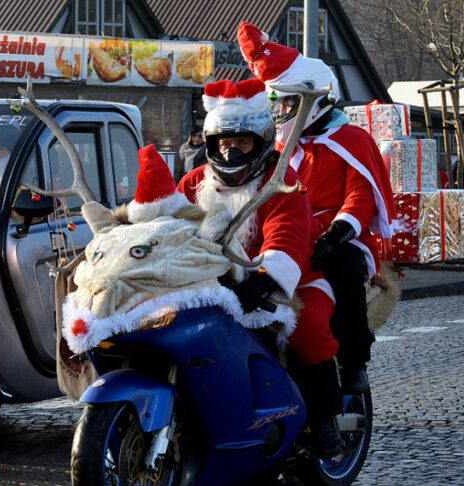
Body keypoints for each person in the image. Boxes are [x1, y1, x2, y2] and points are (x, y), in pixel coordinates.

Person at [167, 78, 342, 457]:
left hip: (292, 279)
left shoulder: (281, 182)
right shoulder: (193, 181)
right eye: (224, 144)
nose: (231, 152)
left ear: (259, 141)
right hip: (213, 282)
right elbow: (167, 226)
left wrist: (264, 279)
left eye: (241, 143)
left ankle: (327, 420)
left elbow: (289, 234)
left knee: (307, 328)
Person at [237, 21, 396, 395]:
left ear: (315, 99)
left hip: (339, 237)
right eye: (278, 101)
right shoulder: (277, 144)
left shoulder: (352, 140)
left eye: (289, 101)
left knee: (344, 271)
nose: (282, 110)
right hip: (289, 231)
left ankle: (356, 358)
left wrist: (337, 234)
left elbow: (361, 197)